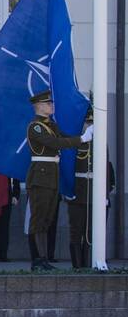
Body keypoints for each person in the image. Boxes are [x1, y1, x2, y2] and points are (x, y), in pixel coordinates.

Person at [25, 89, 89, 271]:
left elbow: (65, 138)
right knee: (38, 219)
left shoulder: (51, 125)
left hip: (52, 175)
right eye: (48, 103)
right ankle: (37, 260)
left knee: (47, 219)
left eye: (51, 103)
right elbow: (55, 144)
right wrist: (82, 139)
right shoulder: (35, 127)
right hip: (40, 176)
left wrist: (85, 138)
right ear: (38, 106)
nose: (52, 105)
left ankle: (44, 259)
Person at [68, 109, 114, 269]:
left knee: (91, 232)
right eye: (88, 122)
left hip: (95, 192)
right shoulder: (76, 141)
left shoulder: (101, 143)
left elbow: (106, 170)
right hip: (77, 193)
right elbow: (67, 168)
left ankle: (88, 265)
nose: (90, 126)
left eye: (93, 123)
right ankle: (77, 267)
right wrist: (68, 191)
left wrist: (105, 194)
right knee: (76, 230)